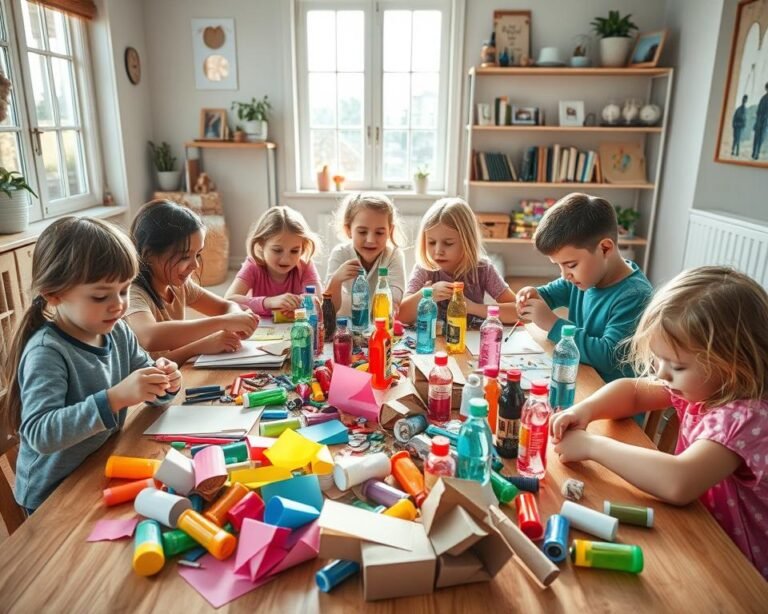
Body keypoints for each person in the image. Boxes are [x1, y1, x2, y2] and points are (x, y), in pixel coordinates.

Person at [551, 266, 768, 579]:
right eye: (659, 359)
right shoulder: (706, 386)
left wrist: (592, 445)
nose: (663, 375)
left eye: (677, 366)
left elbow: (679, 481)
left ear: (732, 366)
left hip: (739, 566)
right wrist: (584, 411)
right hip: (698, 532)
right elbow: (633, 393)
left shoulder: (745, 417)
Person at [0, 217, 181, 514]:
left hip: (97, 465)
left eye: (123, 290)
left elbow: (147, 381)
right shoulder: (47, 352)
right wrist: (115, 398)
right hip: (53, 494)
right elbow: (39, 433)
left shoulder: (117, 330)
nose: (119, 305)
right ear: (53, 294)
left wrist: (165, 382)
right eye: (101, 295)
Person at [516, 193, 652, 382]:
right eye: (559, 266)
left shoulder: (635, 296)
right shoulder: (584, 277)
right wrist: (531, 294)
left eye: (571, 265)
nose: (564, 275)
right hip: (580, 377)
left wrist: (553, 324)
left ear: (605, 248)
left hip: (609, 400)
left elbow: (608, 357)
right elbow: (546, 295)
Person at [125, 200, 258, 364]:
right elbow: (150, 337)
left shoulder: (179, 286)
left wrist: (237, 317)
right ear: (149, 254)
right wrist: (202, 343)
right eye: (185, 256)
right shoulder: (132, 293)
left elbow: (225, 306)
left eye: (198, 254)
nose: (195, 265)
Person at [399, 197, 517, 325]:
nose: (438, 251)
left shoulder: (483, 269)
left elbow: (519, 312)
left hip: (470, 340)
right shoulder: (425, 269)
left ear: (467, 241)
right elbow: (401, 315)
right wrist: (427, 295)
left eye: (448, 243)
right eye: (431, 242)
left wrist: (472, 307)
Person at [225, 206, 322, 318]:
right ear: (261, 244)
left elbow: (318, 298)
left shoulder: (305, 265)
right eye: (277, 250)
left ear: (303, 247)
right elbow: (229, 300)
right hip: (261, 330)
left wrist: (298, 304)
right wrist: (269, 302)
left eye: (294, 251)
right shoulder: (253, 265)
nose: (286, 259)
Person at [324, 192, 406, 316]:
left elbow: (395, 296)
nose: (371, 240)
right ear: (348, 230)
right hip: (344, 327)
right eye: (362, 232)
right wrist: (336, 280)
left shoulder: (394, 255)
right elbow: (330, 309)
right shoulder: (340, 254)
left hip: (379, 325)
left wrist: (391, 308)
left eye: (379, 233)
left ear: (390, 231)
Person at [752, 82, 768, 160]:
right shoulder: (763, 98)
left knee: (760, 138)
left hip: (763, 121)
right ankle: (755, 153)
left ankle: (756, 153)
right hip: (762, 121)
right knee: (759, 138)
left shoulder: (763, 98)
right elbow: (758, 111)